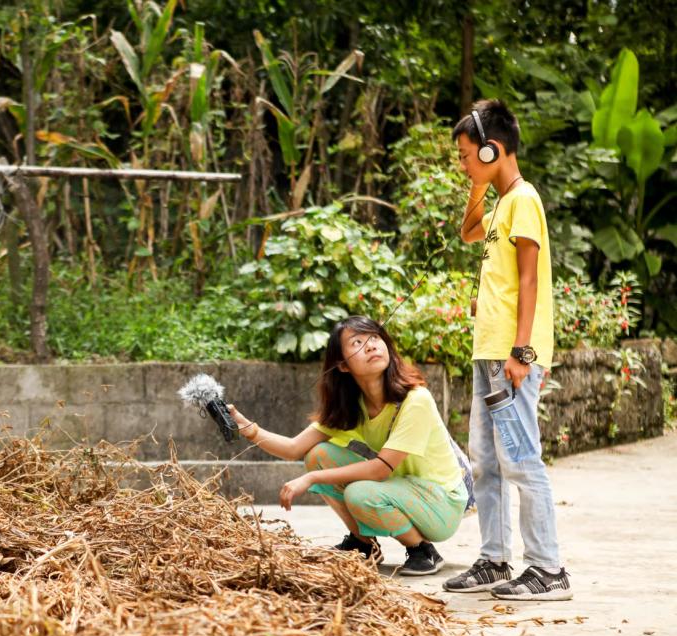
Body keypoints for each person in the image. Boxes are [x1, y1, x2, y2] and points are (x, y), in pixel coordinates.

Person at [442, 99, 571, 600]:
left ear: (495, 148)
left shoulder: (524, 200)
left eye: (469, 154)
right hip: (488, 351)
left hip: (511, 355)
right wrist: (480, 177)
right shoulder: (499, 203)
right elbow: (467, 230)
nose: (462, 163)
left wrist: (523, 352)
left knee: (520, 458)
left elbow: (530, 278)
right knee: (485, 462)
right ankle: (495, 560)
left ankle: (548, 569)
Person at [229, 316, 469, 576]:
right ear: (342, 365)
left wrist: (311, 478)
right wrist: (247, 428)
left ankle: (422, 550)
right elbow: (293, 448)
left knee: (359, 493)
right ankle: (363, 544)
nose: (371, 346)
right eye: (357, 342)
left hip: (441, 504)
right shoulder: (354, 406)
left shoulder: (416, 399)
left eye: (375, 338)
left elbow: (381, 471)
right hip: (403, 489)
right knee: (318, 455)